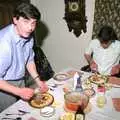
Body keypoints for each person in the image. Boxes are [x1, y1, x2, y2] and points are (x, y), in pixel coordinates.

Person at [0, 3, 48, 112]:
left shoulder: (28, 36)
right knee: (9, 114)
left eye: (33, 23)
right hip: (4, 86)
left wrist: (38, 80)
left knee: (22, 111)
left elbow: (29, 60)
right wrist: (18, 91)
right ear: (15, 20)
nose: (30, 28)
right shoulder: (4, 43)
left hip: (21, 80)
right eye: (26, 21)